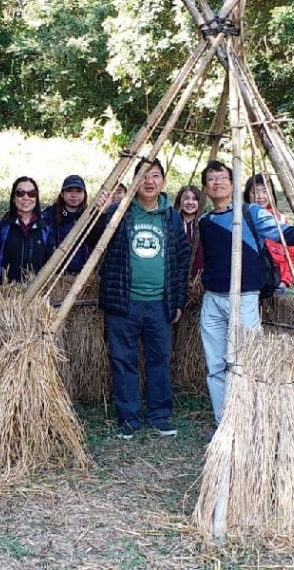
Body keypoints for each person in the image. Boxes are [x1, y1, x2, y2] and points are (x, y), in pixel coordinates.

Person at [198, 160, 294, 427]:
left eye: (222, 178)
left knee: (243, 362)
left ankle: (245, 420)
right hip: (212, 299)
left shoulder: (251, 213)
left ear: (233, 183)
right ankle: (223, 422)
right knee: (216, 365)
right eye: (211, 179)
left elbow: (286, 234)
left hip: (244, 298)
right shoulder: (205, 220)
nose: (217, 183)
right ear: (206, 187)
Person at [92, 159, 190, 439]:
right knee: (123, 359)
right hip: (124, 301)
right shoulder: (119, 212)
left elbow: (182, 260)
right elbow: (94, 240)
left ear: (163, 181)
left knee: (160, 358)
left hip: (160, 303)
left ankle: (159, 415)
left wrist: (179, 301)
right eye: (143, 176)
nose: (149, 181)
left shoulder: (170, 217)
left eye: (155, 176)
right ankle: (129, 418)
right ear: (135, 182)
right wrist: (99, 211)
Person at [0, 177, 53, 283]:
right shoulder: (2, 229)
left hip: (37, 294)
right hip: (5, 295)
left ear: (36, 198)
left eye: (31, 193)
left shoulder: (45, 230)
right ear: (13, 198)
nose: (26, 197)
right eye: (20, 193)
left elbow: (51, 265)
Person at [243, 175, 294, 293]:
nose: (261, 196)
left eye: (265, 191)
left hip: (274, 280)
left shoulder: (280, 221)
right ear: (247, 195)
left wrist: (284, 281)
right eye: (255, 192)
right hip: (246, 280)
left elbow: (291, 256)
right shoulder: (240, 220)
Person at [42, 175, 93, 274]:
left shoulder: (91, 217)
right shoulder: (48, 217)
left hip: (81, 277)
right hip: (55, 276)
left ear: (84, 194)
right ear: (62, 194)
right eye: (69, 190)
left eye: (78, 191)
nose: (74, 195)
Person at [174, 185, 205, 276]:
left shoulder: (205, 224)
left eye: (194, 199)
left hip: (199, 281)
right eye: (186, 198)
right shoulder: (171, 223)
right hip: (175, 280)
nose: (190, 202)